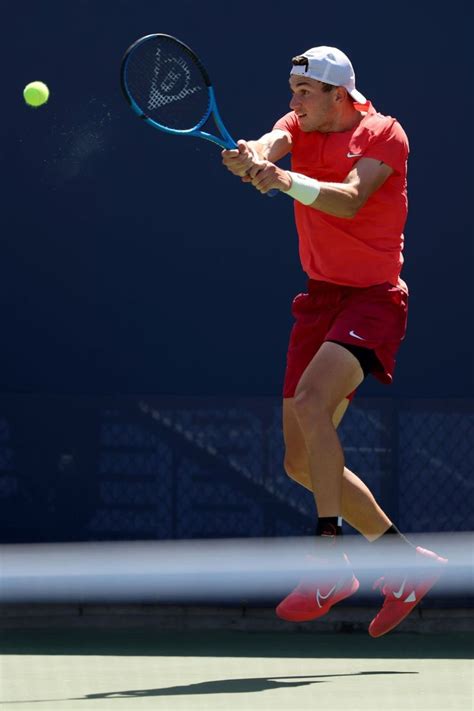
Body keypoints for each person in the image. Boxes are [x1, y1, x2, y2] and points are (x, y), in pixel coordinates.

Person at [221, 45, 447, 637]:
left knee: (312, 402)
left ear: (337, 96)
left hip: (374, 300)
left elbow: (349, 199)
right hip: (319, 300)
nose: (293, 102)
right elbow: (272, 142)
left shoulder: (383, 134)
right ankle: (403, 566)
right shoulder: (300, 122)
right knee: (300, 461)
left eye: (304, 92)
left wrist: (285, 179)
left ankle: (328, 556)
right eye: (292, 91)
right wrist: (255, 156)